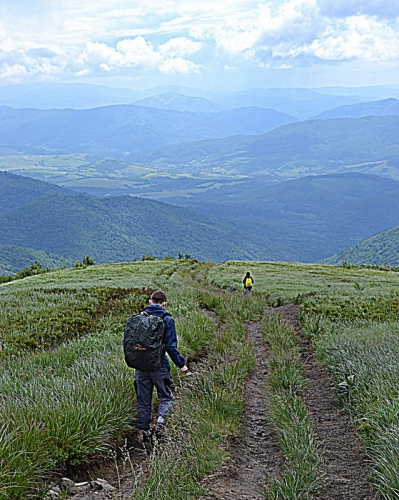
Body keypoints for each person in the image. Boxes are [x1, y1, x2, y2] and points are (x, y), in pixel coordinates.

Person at [134, 289, 188, 447]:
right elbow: (171, 347)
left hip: (140, 367)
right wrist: (181, 364)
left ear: (150, 302)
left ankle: (145, 433)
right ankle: (160, 424)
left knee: (143, 400)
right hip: (159, 366)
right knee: (167, 396)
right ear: (164, 303)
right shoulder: (167, 319)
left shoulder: (139, 318)